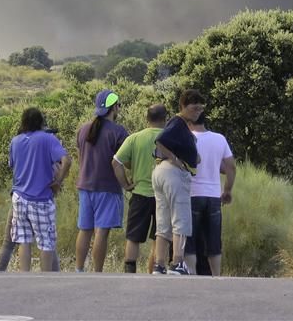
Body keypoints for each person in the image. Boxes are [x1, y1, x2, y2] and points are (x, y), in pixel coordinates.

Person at [8, 107, 72, 271]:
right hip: (41, 199)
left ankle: (25, 276)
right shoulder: (48, 138)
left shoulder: (15, 141)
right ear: (41, 122)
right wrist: (58, 180)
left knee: (24, 240)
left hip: (19, 197)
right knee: (46, 242)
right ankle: (45, 279)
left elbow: (13, 166)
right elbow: (66, 160)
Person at [75, 88, 129, 272]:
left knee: (85, 230)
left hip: (85, 185)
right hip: (107, 187)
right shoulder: (119, 132)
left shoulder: (83, 130)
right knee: (102, 231)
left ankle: (79, 269)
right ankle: (97, 272)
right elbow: (126, 161)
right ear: (114, 107)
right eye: (118, 105)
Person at [152, 89, 203, 275]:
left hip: (160, 172)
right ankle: (178, 262)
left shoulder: (180, 125)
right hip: (173, 173)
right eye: (193, 107)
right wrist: (174, 158)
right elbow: (160, 140)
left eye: (200, 108)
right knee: (181, 218)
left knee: (163, 220)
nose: (197, 111)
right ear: (183, 106)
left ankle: (159, 264)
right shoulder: (178, 122)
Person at [113, 103, 168, 273]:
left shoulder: (135, 138)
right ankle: (155, 272)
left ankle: (130, 271)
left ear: (147, 118)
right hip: (164, 196)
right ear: (166, 119)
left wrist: (126, 184)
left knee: (133, 237)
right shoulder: (171, 137)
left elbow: (116, 162)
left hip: (139, 193)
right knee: (160, 236)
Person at [184, 109, 236, 276]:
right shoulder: (219, 139)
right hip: (213, 195)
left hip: (192, 194)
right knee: (213, 241)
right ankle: (216, 276)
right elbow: (231, 166)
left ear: (189, 121)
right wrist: (227, 190)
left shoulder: (187, 138)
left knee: (190, 240)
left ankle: (191, 274)